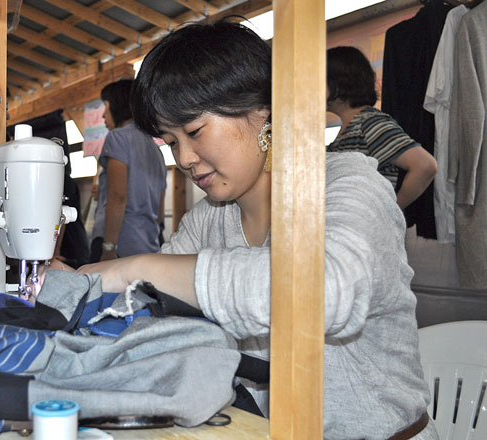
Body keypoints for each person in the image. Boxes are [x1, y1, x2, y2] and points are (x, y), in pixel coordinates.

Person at [37, 20, 441, 439]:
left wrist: (131, 269)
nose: (186, 158)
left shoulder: (348, 184)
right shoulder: (211, 217)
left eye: (194, 131)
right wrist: (78, 283)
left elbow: (323, 292)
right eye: (172, 142)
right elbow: (151, 304)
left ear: (263, 110)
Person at [326, 46, 437, 210]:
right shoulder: (351, 127)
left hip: (366, 227)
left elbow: (425, 165)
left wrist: (391, 211)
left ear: (339, 83)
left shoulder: (369, 122)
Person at [89, 78, 167, 262]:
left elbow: (118, 195)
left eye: (105, 107)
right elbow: (160, 212)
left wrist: (109, 248)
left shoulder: (117, 138)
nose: (102, 116)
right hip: (147, 244)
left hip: (118, 245)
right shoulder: (156, 149)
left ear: (116, 106)